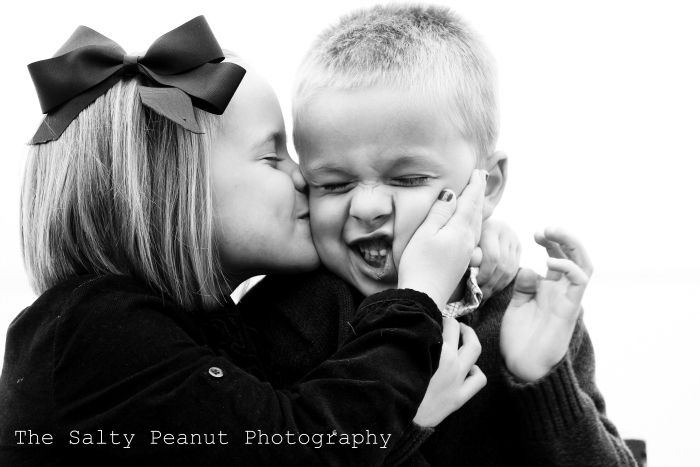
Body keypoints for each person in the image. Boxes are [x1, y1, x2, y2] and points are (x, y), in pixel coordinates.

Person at [0, 16, 497, 466]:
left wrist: (473, 249)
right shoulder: (92, 333)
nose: (304, 177)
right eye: (272, 155)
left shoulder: (198, 328)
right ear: (175, 187)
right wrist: (419, 299)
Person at [239, 4, 638, 466]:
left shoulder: (528, 312)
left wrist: (544, 380)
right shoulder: (287, 315)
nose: (366, 207)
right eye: (334, 184)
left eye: (407, 179)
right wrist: (406, 426)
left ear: (484, 187)